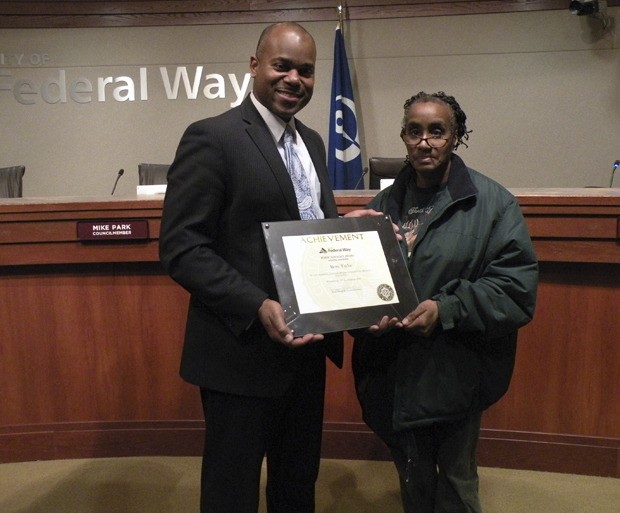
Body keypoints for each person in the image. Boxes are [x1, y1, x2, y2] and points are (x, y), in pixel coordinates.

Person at [159, 22, 344, 513]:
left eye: (305, 71)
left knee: (296, 484)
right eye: (282, 66)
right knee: (231, 493)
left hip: (307, 351)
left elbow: (302, 225)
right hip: (239, 352)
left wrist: (346, 228)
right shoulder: (212, 137)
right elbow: (182, 247)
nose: (294, 79)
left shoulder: (314, 143)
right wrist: (257, 303)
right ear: (255, 65)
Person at [352, 91, 538, 513]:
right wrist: (364, 319)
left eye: (437, 131)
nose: (424, 141)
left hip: (454, 372)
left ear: (456, 138)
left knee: (456, 482)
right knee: (412, 475)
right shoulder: (381, 206)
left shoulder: (492, 203)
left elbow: (515, 289)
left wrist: (445, 310)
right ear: (403, 137)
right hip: (394, 373)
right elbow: (360, 285)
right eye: (414, 131)